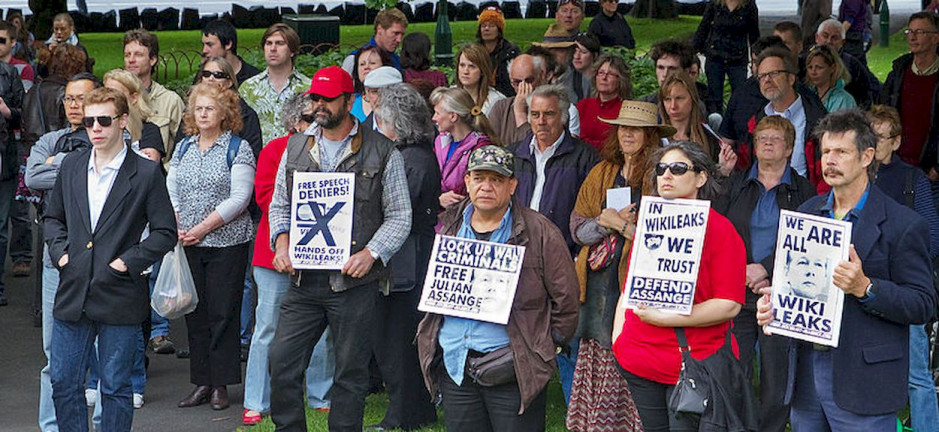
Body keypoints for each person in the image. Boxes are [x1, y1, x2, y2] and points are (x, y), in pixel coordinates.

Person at [756, 109, 937, 430]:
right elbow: (797, 284)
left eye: (841, 152)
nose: (830, 160)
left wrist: (866, 288)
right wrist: (776, 303)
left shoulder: (903, 224)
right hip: (807, 377)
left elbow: (922, 304)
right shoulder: (807, 212)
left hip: (864, 382)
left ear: (867, 156)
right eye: (826, 151)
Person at [267, 66, 411, 431]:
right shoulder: (296, 145)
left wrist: (372, 253)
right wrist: (281, 240)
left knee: (350, 376)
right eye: (315, 97)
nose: (319, 105)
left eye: (328, 99)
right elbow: (280, 204)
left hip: (353, 284)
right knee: (282, 365)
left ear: (351, 100)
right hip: (302, 281)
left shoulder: (383, 150)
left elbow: (400, 215)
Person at [415, 144, 580, 431]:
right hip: (456, 364)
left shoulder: (540, 231)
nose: (486, 187)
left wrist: (541, 348)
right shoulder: (449, 225)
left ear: (512, 185)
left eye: (497, 179)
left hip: (513, 367)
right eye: (479, 178)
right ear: (467, 182)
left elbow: (566, 300)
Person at [44, 86, 176, 432]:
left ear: (122, 122)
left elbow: (165, 232)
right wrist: (61, 256)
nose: (96, 128)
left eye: (104, 120)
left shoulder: (145, 173)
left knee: (116, 387)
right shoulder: (72, 165)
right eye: (89, 121)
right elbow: (53, 218)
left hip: (119, 292)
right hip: (73, 288)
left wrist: (127, 262)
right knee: (63, 382)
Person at [613, 140, 746, 431]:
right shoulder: (650, 224)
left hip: (692, 365)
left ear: (701, 178)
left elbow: (729, 304)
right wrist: (618, 338)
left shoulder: (721, 230)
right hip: (638, 360)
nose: (666, 175)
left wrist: (666, 318)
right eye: (661, 169)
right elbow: (629, 288)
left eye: (677, 168)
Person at [566, 101, 672, 432]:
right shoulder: (602, 171)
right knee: (598, 348)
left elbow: (669, 241)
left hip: (637, 282)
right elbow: (577, 228)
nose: (627, 133)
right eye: (623, 127)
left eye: (636, 128)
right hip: (598, 282)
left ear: (651, 135)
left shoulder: (662, 179)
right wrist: (605, 223)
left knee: (630, 352)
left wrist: (625, 228)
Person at [714, 114, 816, 432]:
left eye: (776, 137)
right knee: (735, 369)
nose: (768, 142)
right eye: (761, 137)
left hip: (782, 293)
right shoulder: (736, 183)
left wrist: (767, 268)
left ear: (789, 148)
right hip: (737, 288)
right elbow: (718, 229)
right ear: (754, 146)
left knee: (777, 376)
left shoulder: (804, 190)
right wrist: (742, 267)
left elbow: (807, 242)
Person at [242, 93, 335, 426]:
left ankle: (320, 394)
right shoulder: (274, 149)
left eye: (320, 118)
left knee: (323, 327)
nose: (317, 125)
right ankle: (256, 398)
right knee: (267, 326)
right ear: (296, 123)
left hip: (323, 252)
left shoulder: (332, 150)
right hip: (274, 255)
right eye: (310, 119)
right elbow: (267, 197)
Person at [169, 83, 256, 411]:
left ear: (224, 113)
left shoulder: (238, 148)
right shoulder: (184, 147)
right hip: (187, 241)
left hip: (226, 242)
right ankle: (201, 381)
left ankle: (221, 383)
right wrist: (177, 221)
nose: (202, 113)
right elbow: (171, 185)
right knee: (195, 312)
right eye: (198, 108)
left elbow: (240, 198)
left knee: (223, 312)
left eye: (209, 108)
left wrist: (203, 227)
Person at [370, 82, 440, 431]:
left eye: (380, 121)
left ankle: (403, 413)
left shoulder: (410, 160)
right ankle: (417, 409)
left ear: (394, 123)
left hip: (407, 262)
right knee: (401, 339)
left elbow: (398, 213)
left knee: (396, 341)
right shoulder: (419, 155)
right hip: (412, 258)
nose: (377, 128)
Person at [868, 105, 939, 432]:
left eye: (880, 137)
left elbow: (932, 238)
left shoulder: (913, 179)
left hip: (903, 288)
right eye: (868, 136)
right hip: (862, 288)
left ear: (896, 142)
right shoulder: (858, 177)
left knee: (916, 376)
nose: (873, 143)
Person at [510, 84, 598, 255]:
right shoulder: (513, 155)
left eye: (549, 114)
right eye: (535, 114)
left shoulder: (585, 157)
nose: (541, 121)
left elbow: (590, 212)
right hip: (517, 252)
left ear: (564, 117)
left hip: (561, 254)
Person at [748, 46, 827, 189]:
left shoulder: (818, 119)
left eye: (774, 73)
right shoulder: (756, 121)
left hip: (804, 200)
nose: (767, 80)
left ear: (791, 78)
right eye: (762, 76)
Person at [880, 12, 939, 177]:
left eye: (920, 32)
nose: (912, 37)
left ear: (935, 38)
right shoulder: (898, 73)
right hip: (896, 164)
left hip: (930, 171)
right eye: (909, 32)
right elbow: (883, 114)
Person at [241, 23, 311, 146]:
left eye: (280, 43)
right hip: (257, 158)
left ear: (292, 51)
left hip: (296, 157)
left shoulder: (308, 88)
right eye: (268, 43)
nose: (273, 48)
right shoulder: (248, 88)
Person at [488, 54, 580, 146]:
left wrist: (520, 113)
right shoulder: (501, 108)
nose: (523, 87)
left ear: (541, 76)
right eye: (517, 82)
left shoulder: (555, 105)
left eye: (529, 80)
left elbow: (537, 147)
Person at [430, 87, 498, 209]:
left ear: (453, 117)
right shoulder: (440, 141)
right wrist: (437, 199)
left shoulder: (482, 148)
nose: (434, 118)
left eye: (437, 113)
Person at [123, 29, 184, 164]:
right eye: (127, 55)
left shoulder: (171, 101)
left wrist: (164, 174)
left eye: (138, 55)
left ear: (153, 59)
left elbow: (186, 147)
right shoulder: (116, 98)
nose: (131, 60)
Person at [659, 71, 737, 176]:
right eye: (667, 99)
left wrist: (723, 171)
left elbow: (716, 184)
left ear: (692, 98)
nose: (673, 106)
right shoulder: (654, 138)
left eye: (679, 98)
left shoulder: (709, 138)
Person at [693, 0, 761, 114]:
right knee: (714, 97)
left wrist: (757, 58)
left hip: (737, 58)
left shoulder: (749, 6)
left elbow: (754, 34)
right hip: (715, 56)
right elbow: (703, 27)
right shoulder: (715, 4)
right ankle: (716, 124)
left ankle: (736, 123)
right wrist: (693, 51)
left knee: (740, 94)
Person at [812, 19, 877, 109]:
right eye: (825, 36)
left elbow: (866, 95)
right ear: (817, 37)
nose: (829, 41)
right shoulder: (804, 61)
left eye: (834, 38)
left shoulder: (852, 64)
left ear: (843, 42)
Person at [576, 53, 631, 152]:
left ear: (621, 80)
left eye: (610, 74)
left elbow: (616, 145)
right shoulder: (583, 105)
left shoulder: (626, 110)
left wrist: (583, 142)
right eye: (601, 73)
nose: (604, 78)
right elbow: (572, 138)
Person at [341, 8, 408, 73]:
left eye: (402, 35)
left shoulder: (398, 61)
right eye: (395, 33)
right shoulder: (354, 60)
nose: (399, 40)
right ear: (379, 29)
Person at [201, 19, 261, 87]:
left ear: (228, 44)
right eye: (204, 45)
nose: (204, 50)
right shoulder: (206, 74)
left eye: (210, 45)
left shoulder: (253, 78)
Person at [476, 6, 519, 97]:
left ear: (499, 30)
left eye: (491, 26)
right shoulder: (474, 50)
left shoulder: (510, 52)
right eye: (483, 25)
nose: (486, 29)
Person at [454, 44, 505, 116]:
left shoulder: (496, 101)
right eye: (462, 65)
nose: (465, 71)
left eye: (472, 66)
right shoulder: (448, 96)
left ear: (482, 70)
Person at [804, 44, 856, 112]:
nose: (813, 72)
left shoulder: (844, 100)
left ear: (832, 68)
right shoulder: (807, 96)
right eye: (810, 67)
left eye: (819, 67)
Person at [351, 45, 392, 122]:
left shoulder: (395, 102)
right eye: (362, 64)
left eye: (372, 63)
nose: (366, 67)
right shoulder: (351, 102)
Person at [570, 33, 600, 101]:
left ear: (595, 55)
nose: (576, 56)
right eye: (574, 51)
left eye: (583, 52)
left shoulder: (601, 81)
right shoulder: (568, 78)